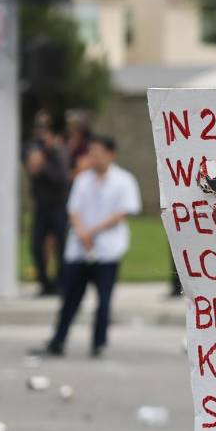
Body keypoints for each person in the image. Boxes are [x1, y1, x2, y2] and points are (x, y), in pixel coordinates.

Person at [32, 135, 141, 357]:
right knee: (70, 298)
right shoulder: (82, 180)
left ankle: (98, 342)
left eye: (98, 152)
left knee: (104, 299)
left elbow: (122, 212)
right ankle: (58, 339)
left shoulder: (124, 180)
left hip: (107, 249)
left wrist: (93, 232)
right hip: (80, 249)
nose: (94, 157)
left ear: (111, 154)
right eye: (91, 153)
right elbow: (73, 210)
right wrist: (82, 233)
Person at [25, 118, 71, 296]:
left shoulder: (59, 153)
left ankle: (62, 282)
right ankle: (45, 283)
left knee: (61, 246)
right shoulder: (33, 150)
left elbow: (61, 178)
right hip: (41, 206)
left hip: (58, 206)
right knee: (37, 245)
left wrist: (42, 165)